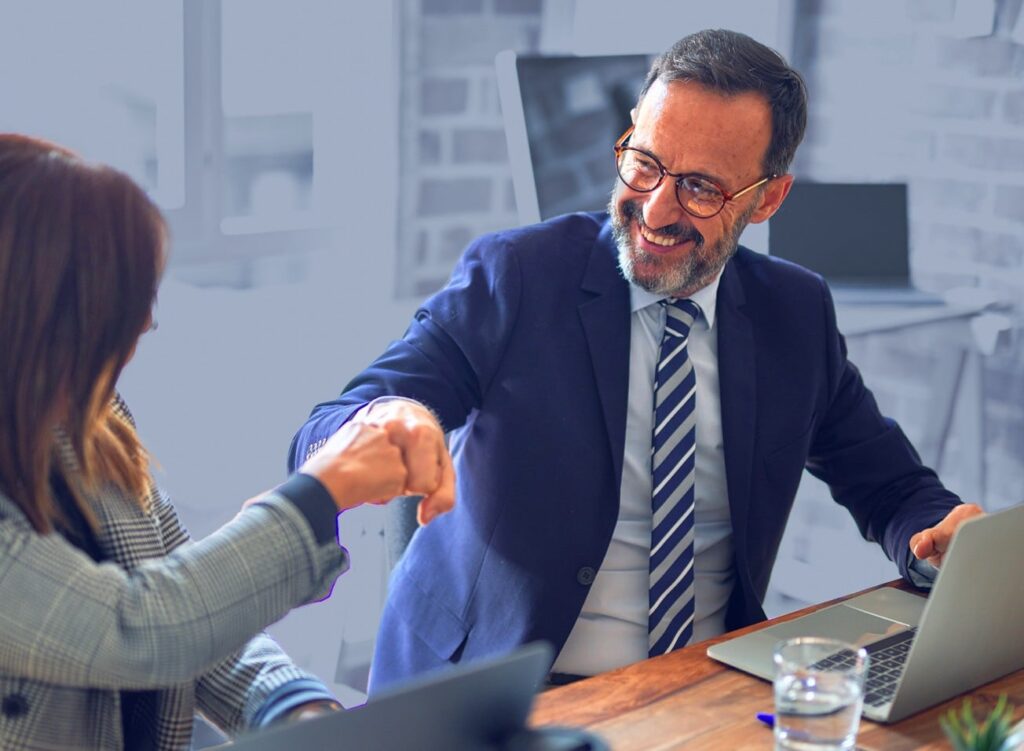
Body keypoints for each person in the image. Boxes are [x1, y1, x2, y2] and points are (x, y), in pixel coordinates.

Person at [289, 29, 981, 693]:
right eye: (644, 161)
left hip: (704, 686)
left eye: (702, 187)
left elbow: (891, 488)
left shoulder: (794, 314)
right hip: (502, 691)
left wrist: (943, 536)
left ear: (768, 197)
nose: (653, 207)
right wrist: (383, 421)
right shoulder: (518, 275)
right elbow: (329, 423)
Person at [0, 134, 454, 750]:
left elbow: (199, 613)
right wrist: (321, 492)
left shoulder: (92, 420)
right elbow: (138, 628)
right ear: (36, 310)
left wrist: (295, 709)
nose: (145, 321)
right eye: (122, 298)